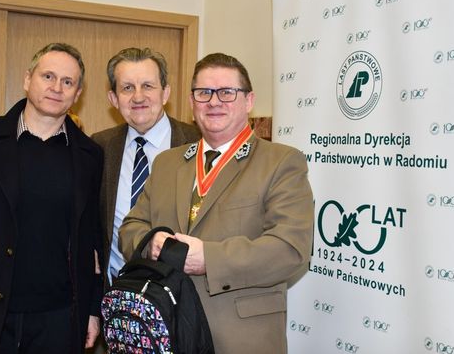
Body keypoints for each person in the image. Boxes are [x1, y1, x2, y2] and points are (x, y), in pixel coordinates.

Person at [119, 52, 314, 353]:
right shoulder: (168, 163)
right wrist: (150, 243)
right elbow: (132, 226)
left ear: (249, 101)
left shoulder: (282, 162)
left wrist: (209, 259)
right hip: (167, 332)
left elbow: (290, 249)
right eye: (204, 93)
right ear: (191, 101)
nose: (214, 102)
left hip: (239, 338)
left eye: (227, 92)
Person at [0, 43, 104, 353]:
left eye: (67, 81)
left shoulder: (90, 155)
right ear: (28, 79)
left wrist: (93, 310)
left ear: (78, 93)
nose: (56, 88)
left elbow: (93, 241)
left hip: (59, 321)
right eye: (48, 76)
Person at [91, 47, 200, 289]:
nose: (138, 97)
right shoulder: (100, 146)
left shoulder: (198, 142)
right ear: (113, 99)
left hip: (181, 293)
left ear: (165, 93)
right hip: (116, 291)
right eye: (127, 88)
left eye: (148, 86)